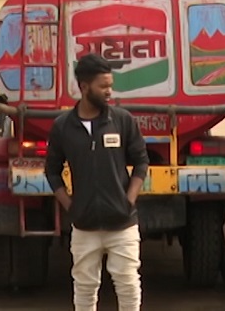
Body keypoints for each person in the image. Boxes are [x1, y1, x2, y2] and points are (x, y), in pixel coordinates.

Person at [44, 54, 148, 311]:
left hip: (122, 224)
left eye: (110, 85)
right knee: (84, 288)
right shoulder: (63, 127)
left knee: (128, 286)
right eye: (103, 86)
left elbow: (141, 162)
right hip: (84, 226)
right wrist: (71, 206)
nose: (109, 91)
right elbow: (52, 171)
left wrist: (128, 200)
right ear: (84, 87)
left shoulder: (122, 120)